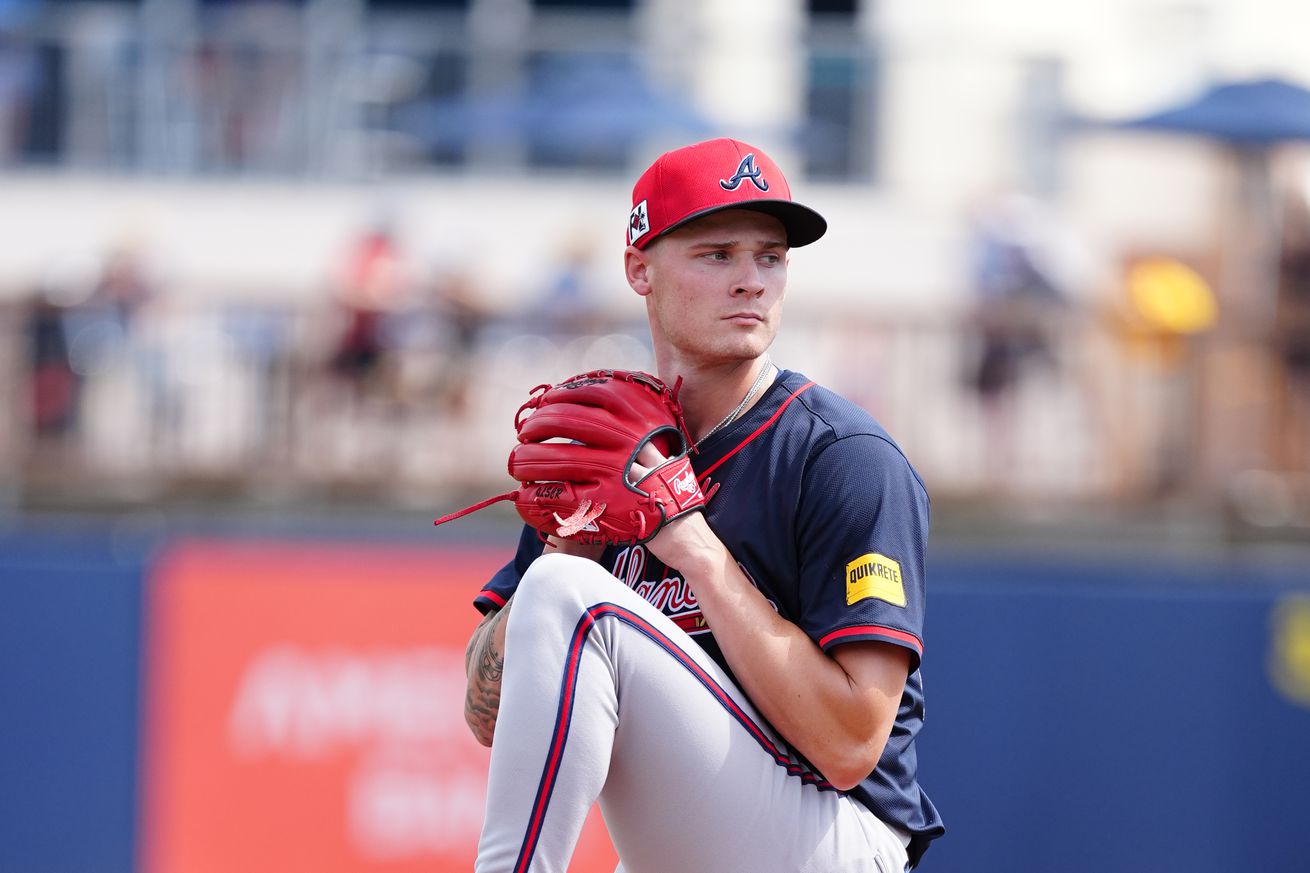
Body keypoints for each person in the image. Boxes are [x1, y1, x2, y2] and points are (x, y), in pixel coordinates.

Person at [462, 138, 943, 873]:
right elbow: (485, 716)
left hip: (837, 839)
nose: (751, 280)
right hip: (695, 842)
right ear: (638, 269)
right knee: (560, 585)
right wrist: (567, 551)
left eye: (771, 256)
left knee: (571, 598)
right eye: (717, 254)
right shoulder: (603, 447)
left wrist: (695, 547)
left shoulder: (844, 456)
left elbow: (851, 747)